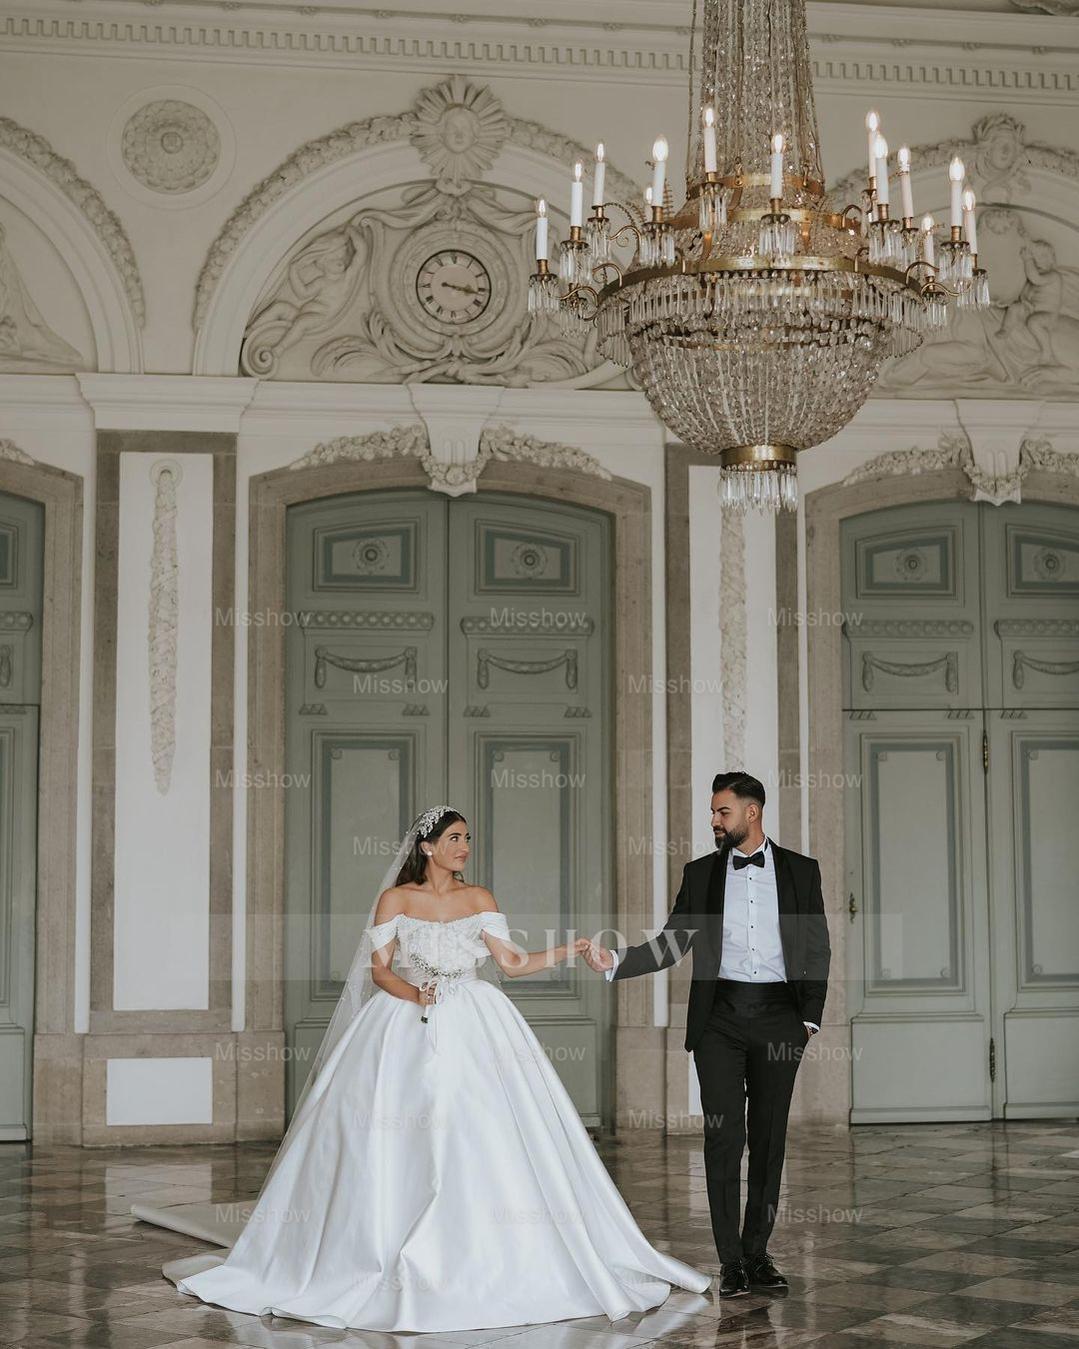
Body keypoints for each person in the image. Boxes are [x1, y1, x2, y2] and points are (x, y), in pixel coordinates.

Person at [161, 805, 712, 1332]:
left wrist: (571, 950)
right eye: (454, 838)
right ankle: (375, 1246)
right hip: (404, 1019)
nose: (464, 847)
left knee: (483, 1132)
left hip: (476, 1017)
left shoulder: (479, 897)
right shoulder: (395, 898)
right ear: (426, 846)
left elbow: (513, 965)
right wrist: (417, 993)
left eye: (468, 838)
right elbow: (378, 972)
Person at [584, 772, 830, 1298]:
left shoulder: (800, 872)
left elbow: (816, 946)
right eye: (713, 812)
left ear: (752, 813)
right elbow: (671, 943)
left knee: (768, 1139)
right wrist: (615, 962)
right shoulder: (700, 875)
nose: (714, 821)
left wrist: (808, 1019)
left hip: (779, 1018)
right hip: (718, 1019)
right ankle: (731, 1262)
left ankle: (758, 1253)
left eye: (722, 812)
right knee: (724, 1137)